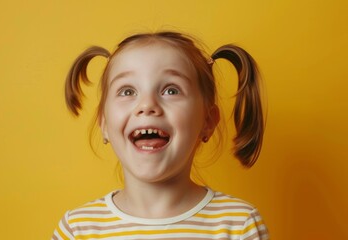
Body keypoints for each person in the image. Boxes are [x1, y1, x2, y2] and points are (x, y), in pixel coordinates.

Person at [52, 31, 269, 239]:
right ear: (104, 123)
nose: (147, 105)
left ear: (207, 121)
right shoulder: (78, 229)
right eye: (127, 91)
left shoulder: (239, 226)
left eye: (171, 90)